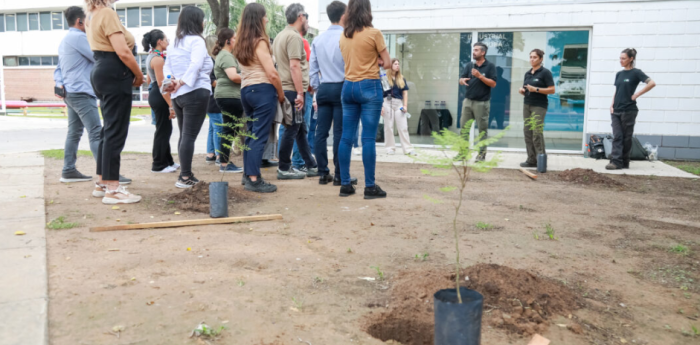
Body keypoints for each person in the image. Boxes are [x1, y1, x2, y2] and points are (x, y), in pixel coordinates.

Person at [84, 0, 141, 204]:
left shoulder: (91, 15)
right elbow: (123, 51)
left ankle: (102, 182)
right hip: (114, 71)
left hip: (102, 70)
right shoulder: (107, 13)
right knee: (115, 130)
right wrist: (139, 74)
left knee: (108, 129)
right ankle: (113, 189)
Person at [338, 0, 391, 199]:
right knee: (368, 138)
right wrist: (374, 59)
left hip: (348, 86)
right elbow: (386, 63)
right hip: (369, 86)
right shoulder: (374, 33)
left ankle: (345, 184)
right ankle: (369, 187)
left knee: (346, 137)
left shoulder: (344, 34)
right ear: (367, 10)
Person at [233, 3, 285, 193]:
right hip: (262, 90)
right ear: (258, 19)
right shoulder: (260, 41)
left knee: (251, 135)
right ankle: (254, 178)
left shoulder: (240, 42)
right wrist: (280, 94)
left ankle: (248, 174)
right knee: (259, 136)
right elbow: (272, 73)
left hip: (246, 91)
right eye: (265, 16)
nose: (267, 19)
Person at [162, 6, 213, 188]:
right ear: (197, 21)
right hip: (195, 92)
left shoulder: (175, 41)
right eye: (202, 19)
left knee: (184, 135)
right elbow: (196, 64)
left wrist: (173, 82)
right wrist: (181, 82)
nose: (204, 22)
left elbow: (167, 67)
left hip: (178, 95)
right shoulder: (197, 41)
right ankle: (184, 177)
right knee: (189, 136)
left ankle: (186, 174)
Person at [310, 0, 359, 186]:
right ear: (343, 16)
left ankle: (323, 172)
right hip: (342, 86)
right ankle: (340, 174)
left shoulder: (317, 39)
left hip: (324, 87)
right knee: (340, 132)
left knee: (320, 132)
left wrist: (316, 89)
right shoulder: (347, 37)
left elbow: (312, 69)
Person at [54, 6, 101, 183]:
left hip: (71, 93)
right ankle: (108, 175)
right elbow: (98, 57)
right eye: (89, 19)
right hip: (81, 93)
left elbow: (58, 69)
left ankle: (68, 170)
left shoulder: (65, 40)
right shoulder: (80, 37)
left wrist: (59, 83)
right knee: (96, 132)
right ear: (80, 21)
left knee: (74, 133)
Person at [272, 3, 318, 180]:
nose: (307, 21)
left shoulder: (279, 36)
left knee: (299, 129)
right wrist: (300, 93)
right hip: (293, 91)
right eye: (306, 17)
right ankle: (284, 167)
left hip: (286, 89)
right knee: (293, 129)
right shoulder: (294, 37)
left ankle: (311, 164)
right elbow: (294, 66)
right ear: (301, 16)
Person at [607, 48, 655, 170]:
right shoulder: (619, 74)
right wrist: (611, 104)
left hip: (629, 110)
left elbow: (651, 83)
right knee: (617, 136)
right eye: (620, 58)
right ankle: (616, 161)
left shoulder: (636, 73)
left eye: (623, 58)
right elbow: (617, 91)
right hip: (616, 110)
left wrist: (637, 94)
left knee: (626, 137)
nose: (620, 61)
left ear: (631, 59)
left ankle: (624, 161)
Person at [143, 29, 178, 174]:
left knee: (164, 128)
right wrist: (171, 104)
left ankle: (167, 161)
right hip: (159, 95)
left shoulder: (151, 57)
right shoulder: (157, 59)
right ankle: (158, 164)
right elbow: (160, 84)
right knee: (163, 130)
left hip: (155, 94)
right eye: (166, 39)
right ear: (159, 42)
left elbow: (148, 80)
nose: (168, 42)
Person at [213, 28, 244, 174]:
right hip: (229, 96)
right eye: (235, 38)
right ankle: (224, 163)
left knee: (229, 129)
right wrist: (250, 76)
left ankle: (224, 161)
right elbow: (233, 76)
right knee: (229, 129)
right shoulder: (226, 56)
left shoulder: (225, 55)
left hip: (227, 96)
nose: (237, 40)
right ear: (228, 41)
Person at [458, 42, 497, 161]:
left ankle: (481, 155)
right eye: (473, 50)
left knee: (482, 131)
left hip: (482, 103)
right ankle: (463, 154)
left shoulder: (490, 66)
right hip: (468, 101)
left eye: (476, 50)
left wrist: (480, 76)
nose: (473, 52)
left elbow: (493, 84)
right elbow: (461, 79)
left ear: (483, 52)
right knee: (464, 129)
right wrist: (462, 80)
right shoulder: (469, 65)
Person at [518, 49, 555, 168]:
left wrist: (537, 89)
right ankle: (531, 159)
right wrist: (522, 91)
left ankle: (541, 161)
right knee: (527, 132)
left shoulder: (545, 73)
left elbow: (552, 89)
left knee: (536, 133)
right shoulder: (527, 73)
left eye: (534, 57)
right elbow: (528, 91)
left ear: (541, 59)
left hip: (539, 106)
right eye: (530, 57)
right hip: (527, 104)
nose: (532, 59)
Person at [382, 58, 415, 156]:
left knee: (403, 126)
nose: (397, 65)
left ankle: (408, 149)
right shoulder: (384, 77)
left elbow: (405, 93)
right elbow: (380, 92)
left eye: (398, 64)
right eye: (395, 64)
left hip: (398, 103)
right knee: (389, 126)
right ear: (390, 65)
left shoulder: (401, 78)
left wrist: (405, 105)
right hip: (387, 102)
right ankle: (390, 148)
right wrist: (381, 106)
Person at [205, 59, 224, 166]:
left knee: (212, 128)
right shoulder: (211, 62)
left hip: (209, 99)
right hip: (213, 100)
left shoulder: (209, 61)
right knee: (218, 127)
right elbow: (213, 82)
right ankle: (219, 155)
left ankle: (210, 153)